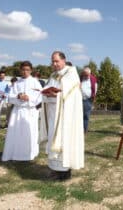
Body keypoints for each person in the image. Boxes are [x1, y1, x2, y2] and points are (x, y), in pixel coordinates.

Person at [40, 51, 84, 180]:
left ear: (64, 60)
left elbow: (71, 94)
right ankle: (54, 169)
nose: (54, 64)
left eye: (56, 61)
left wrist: (57, 94)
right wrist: (46, 93)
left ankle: (64, 172)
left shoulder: (71, 73)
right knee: (53, 139)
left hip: (66, 116)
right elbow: (48, 88)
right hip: (53, 113)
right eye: (52, 61)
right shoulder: (53, 75)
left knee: (64, 140)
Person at [2, 61, 42, 161]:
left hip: (30, 111)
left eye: (27, 70)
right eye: (23, 70)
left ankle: (29, 154)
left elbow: (40, 96)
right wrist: (18, 96)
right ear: (20, 70)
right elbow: (10, 97)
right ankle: (15, 153)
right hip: (18, 111)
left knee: (29, 133)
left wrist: (29, 98)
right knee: (16, 132)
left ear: (31, 70)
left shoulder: (35, 82)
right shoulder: (16, 83)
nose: (25, 72)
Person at [80, 67, 97, 132]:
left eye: (87, 75)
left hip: (88, 99)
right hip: (80, 99)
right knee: (79, 115)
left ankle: (84, 130)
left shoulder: (93, 79)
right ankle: (79, 129)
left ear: (90, 74)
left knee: (86, 115)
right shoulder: (80, 78)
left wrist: (93, 98)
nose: (86, 76)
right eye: (84, 74)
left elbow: (95, 89)